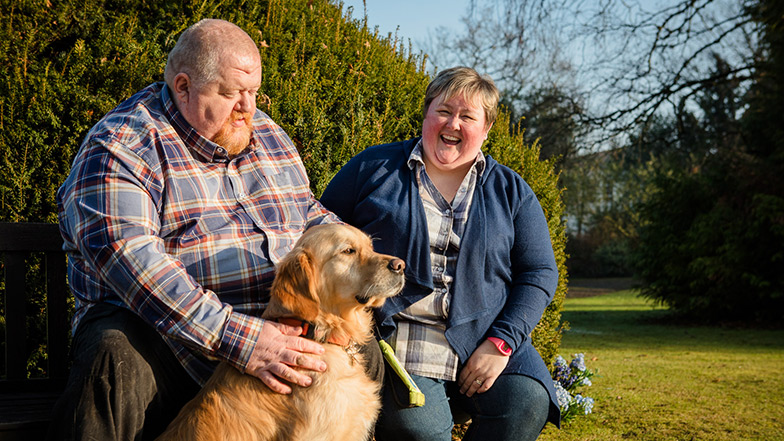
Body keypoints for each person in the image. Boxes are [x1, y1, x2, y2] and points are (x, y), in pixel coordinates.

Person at [50, 19, 378, 440]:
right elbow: (135, 264)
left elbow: (306, 214)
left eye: (253, 92)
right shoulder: (120, 147)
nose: (248, 107)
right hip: (163, 343)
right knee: (114, 355)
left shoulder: (268, 135)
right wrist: (241, 338)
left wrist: (359, 258)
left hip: (272, 329)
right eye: (230, 93)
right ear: (183, 86)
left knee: (361, 349)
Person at [320, 66, 561, 441]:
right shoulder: (372, 168)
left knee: (525, 403)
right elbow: (320, 233)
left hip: (485, 335)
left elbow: (539, 272)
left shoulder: (511, 189)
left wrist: (502, 342)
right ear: (426, 115)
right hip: (397, 336)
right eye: (444, 111)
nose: (454, 123)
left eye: (468, 116)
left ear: (486, 129)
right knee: (421, 429)